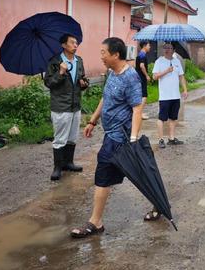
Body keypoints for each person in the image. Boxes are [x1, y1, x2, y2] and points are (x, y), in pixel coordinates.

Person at [70, 37, 143, 238]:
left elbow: (137, 109)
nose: (101, 56)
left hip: (120, 137)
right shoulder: (112, 73)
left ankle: (95, 222)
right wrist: (93, 120)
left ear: (116, 54)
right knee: (140, 172)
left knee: (104, 175)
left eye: (103, 52)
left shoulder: (131, 77)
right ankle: (159, 203)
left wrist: (134, 139)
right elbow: (106, 97)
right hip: (110, 134)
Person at [44, 34, 89, 181]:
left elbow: (83, 78)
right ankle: (57, 168)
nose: (76, 45)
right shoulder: (55, 62)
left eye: (76, 43)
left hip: (75, 106)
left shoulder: (79, 60)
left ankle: (68, 163)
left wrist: (84, 83)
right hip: (61, 106)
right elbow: (49, 83)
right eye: (72, 42)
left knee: (72, 137)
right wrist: (61, 72)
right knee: (60, 139)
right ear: (64, 45)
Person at [152, 42, 188, 149]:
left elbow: (181, 76)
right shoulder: (159, 61)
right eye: (165, 47)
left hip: (175, 95)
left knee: (173, 118)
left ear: (173, 50)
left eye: (169, 48)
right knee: (162, 118)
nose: (167, 49)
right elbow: (154, 77)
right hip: (164, 96)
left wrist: (185, 89)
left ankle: (171, 139)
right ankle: (161, 139)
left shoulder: (177, 61)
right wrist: (166, 71)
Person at [135, 41, 151, 120]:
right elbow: (142, 66)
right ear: (144, 46)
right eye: (148, 45)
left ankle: (139, 112)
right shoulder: (142, 55)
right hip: (141, 78)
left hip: (138, 77)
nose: (150, 47)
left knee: (141, 95)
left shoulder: (140, 54)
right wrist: (147, 75)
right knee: (144, 96)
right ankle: (139, 114)